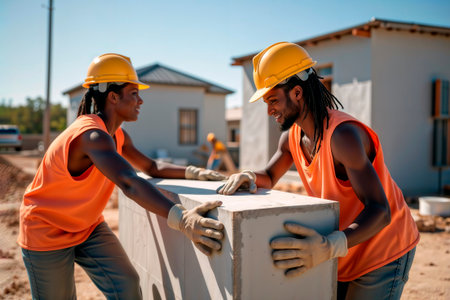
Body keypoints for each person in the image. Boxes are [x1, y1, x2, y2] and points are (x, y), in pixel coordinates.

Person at [217, 42, 419, 299]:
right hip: (347, 247)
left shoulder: (342, 137)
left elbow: (380, 211)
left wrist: (329, 246)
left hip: (383, 248)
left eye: (273, 100)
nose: (269, 111)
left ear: (297, 92)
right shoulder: (292, 138)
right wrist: (248, 176)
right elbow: (269, 177)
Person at [18, 53, 227, 300]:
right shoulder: (90, 136)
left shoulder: (117, 136)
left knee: (126, 285)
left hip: (86, 227)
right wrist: (181, 218)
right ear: (113, 97)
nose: (141, 100)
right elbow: (129, 181)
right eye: (134, 94)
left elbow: (152, 167)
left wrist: (195, 172)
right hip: (46, 228)